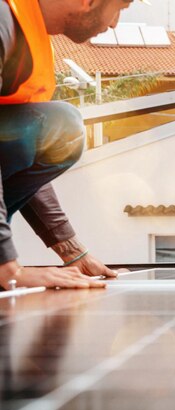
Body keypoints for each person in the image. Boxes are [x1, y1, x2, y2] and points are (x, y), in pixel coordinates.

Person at [0, 0, 138, 290]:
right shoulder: (2, 20)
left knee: (60, 132)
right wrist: (7, 267)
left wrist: (71, 251)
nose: (114, 23)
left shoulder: (28, 34)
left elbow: (16, 148)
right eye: (120, 8)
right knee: (64, 126)